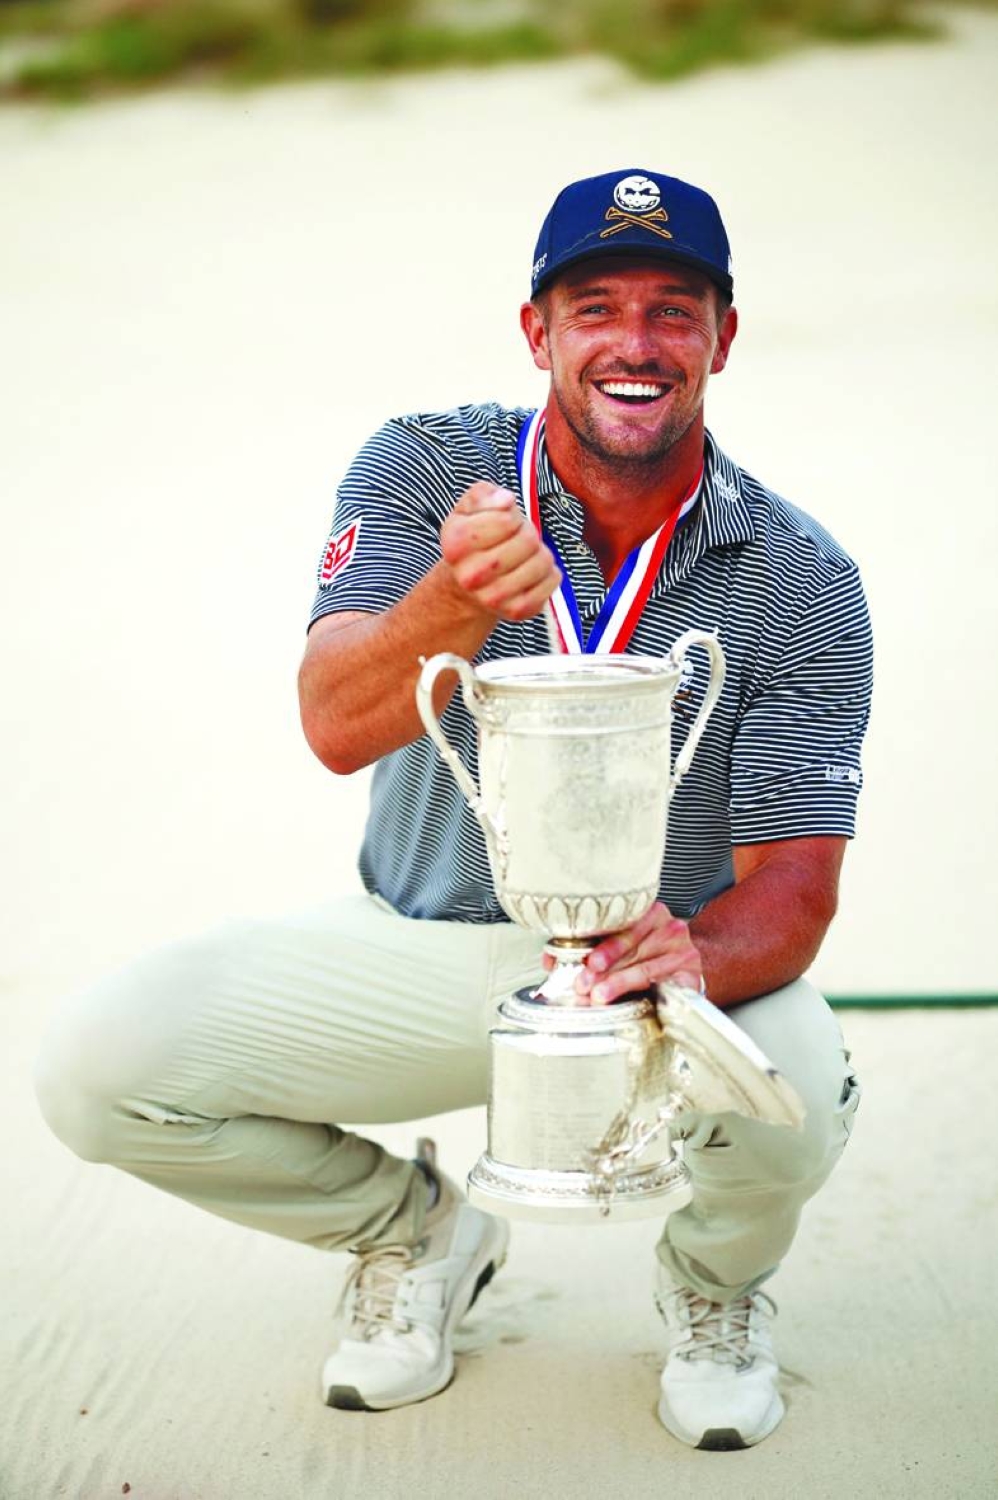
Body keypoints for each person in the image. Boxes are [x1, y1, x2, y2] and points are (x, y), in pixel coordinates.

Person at [35, 168, 871, 1452]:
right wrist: (457, 598)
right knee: (96, 1074)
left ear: (721, 337)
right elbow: (333, 722)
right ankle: (415, 1231)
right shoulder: (429, 464)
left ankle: (713, 1293)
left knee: (799, 1084)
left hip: (648, 981)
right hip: (417, 950)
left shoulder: (803, 576)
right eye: (595, 309)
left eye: (672, 310)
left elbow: (794, 886)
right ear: (537, 332)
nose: (634, 345)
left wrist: (696, 955)